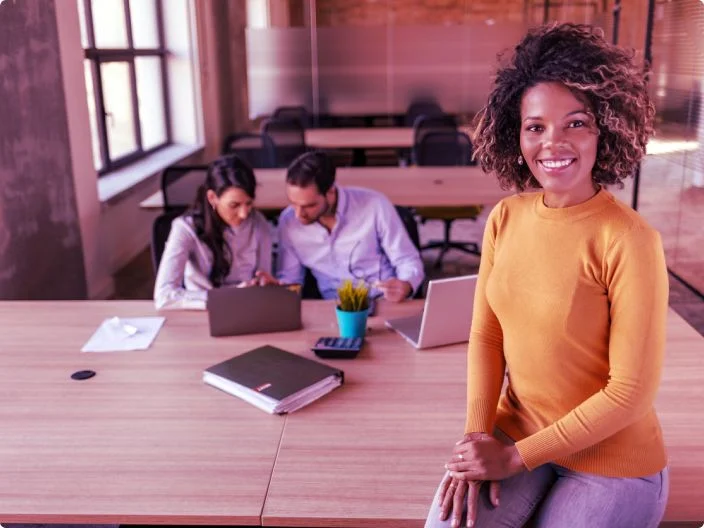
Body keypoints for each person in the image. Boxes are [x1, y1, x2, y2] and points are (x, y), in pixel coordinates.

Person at [425, 23, 669, 528]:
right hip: (516, 431)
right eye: (535, 126)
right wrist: (477, 440)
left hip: (612, 461)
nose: (553, 143)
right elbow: (486, 336)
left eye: (575, 123)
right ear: (516, 135)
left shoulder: (629, 239)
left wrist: (514, 460)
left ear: (605, 127)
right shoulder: (505, 217)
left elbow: (630, 393)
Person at [276, 151, 424, 301]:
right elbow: (291, 279)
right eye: (293, 203)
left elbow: (407, 260)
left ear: (330, 192)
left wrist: (406, 284)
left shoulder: (375, 205)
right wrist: (277, 289)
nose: (298, 214)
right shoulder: (288, 222)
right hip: (332, 308)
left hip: (381, 300)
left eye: (309, 206)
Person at [154, 154, 275, 310]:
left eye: (249, 203)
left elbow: (265, 275)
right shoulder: (185, 228)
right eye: (234, 205)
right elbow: (164, 296)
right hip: (203, 312)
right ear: (212, 198)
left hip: (249, 308)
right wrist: (229, 296)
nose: (244, 214)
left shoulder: (258, 223)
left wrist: (264, 283)